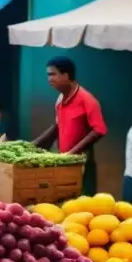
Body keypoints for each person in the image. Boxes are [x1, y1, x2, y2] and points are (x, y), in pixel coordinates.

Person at [34, 56, 107, 194]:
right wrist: (34, 145)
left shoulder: (87, 100)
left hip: (81, 162)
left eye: (53, 74)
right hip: (63, 160)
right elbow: (57, 126)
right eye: (48, 75)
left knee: (80, 204)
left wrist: (72, 153)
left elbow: (99, 130)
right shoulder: (60, 99)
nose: (49, 79)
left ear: (66, 75)